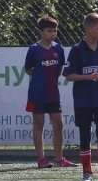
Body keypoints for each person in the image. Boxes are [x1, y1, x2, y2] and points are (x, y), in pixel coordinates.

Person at [63, 12, 98, 181]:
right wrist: (88, 77)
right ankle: (87, 172)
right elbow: (69, 76)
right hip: (83, 100)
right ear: (88, 29)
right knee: (85, 135)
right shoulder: (77, 50)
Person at [23, 16, 75, 169]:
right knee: (39, 124)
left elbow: (59, 69)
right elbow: (28, 69)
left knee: (58, 124)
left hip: (53, 93)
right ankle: (41, 159)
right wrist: (40, 78)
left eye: (55, 31)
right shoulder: (33, 49)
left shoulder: (58, 48)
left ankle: (59, 158)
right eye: (49, 31)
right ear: (41, 31)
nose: (53, 34)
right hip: (36, 93)